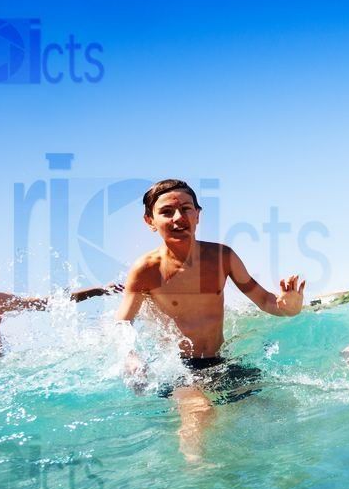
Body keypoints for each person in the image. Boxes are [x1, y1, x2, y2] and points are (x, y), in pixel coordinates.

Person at [114, 179, 305, 460]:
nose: (179, 218)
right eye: (167, 212)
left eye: (186, 209)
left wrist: (289, 307)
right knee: (200, 412)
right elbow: (122, 323)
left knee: (272, 409)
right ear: (150, 221)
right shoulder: (145, 270)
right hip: (178, 369)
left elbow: (266, 301)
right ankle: (198, 477)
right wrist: (129, 355)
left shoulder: (221, 257)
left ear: (198, 215)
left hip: (218, 362)